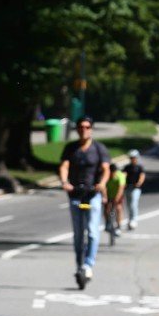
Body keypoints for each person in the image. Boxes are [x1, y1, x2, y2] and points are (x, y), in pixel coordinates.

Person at [58, 116, 110, 282]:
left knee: (93, 231)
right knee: (78, 234)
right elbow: (64, 166)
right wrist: (65, 182)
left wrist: (101, 184)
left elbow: (105, 169)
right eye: (81, 127)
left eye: (87, 127)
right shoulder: (71, 148)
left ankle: (88, 264)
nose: (84, 130)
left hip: (92, 194)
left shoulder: (99, 149)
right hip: (75, 194)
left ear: (91, 129)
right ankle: (79, 263)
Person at [122, 149, 145, 230]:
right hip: (128, 187)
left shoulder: (139, 167)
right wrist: (123, 183)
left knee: (133, 203)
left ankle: (134, 220)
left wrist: (139, 183)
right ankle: (130, 219)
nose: (133, 159)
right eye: (131, 157)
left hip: (136, 188)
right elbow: (124, 175)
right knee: (128, 205)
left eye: (134, 157)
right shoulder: (127, 167)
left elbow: (142, 176)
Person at [104, 163, 126, 236]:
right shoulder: (106, 176)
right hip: (108, 194)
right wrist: (105, 197)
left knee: (118, 208)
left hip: (117, 194)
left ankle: (119, 226)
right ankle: (107, 222)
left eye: (114, 172)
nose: (113, 174)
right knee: (106, 208)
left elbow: (121, 187)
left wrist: (117, 198)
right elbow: (103, 187)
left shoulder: (120, 176)